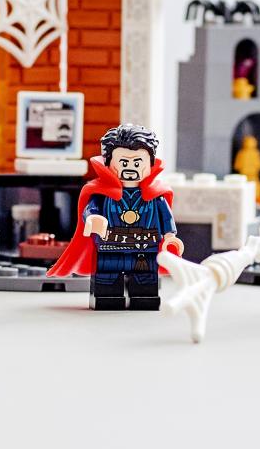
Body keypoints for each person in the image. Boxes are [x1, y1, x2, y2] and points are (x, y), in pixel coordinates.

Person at [48, 123, 181, 311]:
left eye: (137, 163)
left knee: (144, 283)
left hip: (144, 248)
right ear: (109, 163)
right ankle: (106, 298)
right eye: (124, 163)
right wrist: (93, 218)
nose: (130, 168)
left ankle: (144, 299)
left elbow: (166, 217)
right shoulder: (102, 194)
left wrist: (169, 236)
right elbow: (91, 209)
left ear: (150, 163)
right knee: (107, 280)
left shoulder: (155, 196)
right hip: (110, 246)